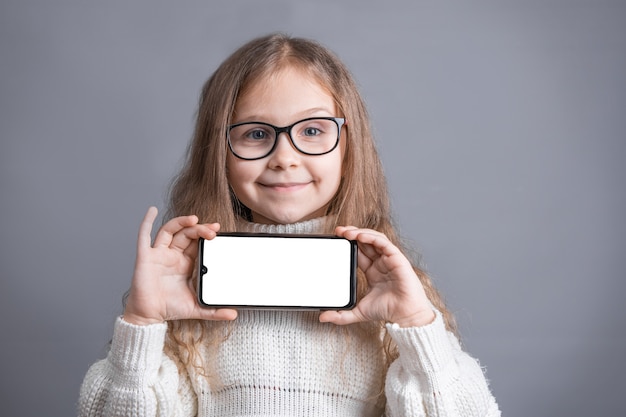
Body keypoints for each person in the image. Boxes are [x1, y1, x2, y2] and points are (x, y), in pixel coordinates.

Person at [78, 33, 500, 417]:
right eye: (256, 134)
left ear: (348, 149)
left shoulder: (388, 295)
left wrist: (415, 327)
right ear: (218, 152)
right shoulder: (186, 292)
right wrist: (144, 324)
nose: (284, 157)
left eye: (313, 130)